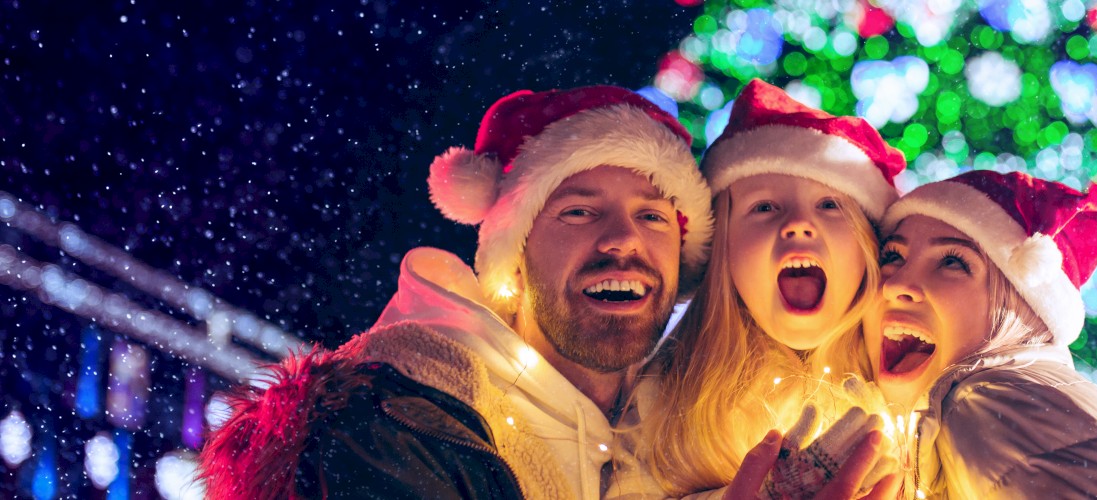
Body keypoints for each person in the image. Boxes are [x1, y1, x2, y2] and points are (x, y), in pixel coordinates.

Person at [199, 86, 715, 500]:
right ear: (514, 252)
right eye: (578, 211)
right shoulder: (392, 427)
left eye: (652, 215)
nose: (624, 238)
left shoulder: (688, 441)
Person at [631, 79, 904, 498]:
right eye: (764, 207)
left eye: (830, 205)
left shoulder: (908, 389)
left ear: (867, 247)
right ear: (726, 251)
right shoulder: (660, 398)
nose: (797, 222)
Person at [864, 170, 1097, 498]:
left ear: (1020, 303)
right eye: (893, 256)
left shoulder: (990, 402)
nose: (896, 285)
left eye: (953, 262)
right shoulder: (1035, 393)